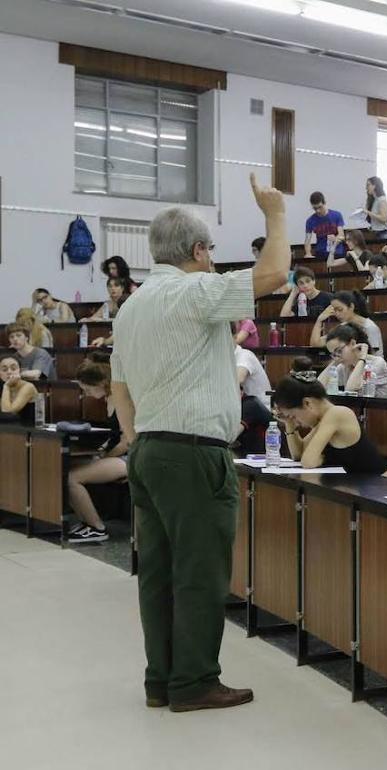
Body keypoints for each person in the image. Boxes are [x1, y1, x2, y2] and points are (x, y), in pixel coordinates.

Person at [110, 172, 289, 712]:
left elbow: (119, 388)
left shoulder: (131, 306)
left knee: (159, 573)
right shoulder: (196, 289)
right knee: (201, 571)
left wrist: (137, 440)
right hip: (191, 453)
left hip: (148, 451)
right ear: (197, 251)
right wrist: (276, 215)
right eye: (210, 249)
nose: (214, 257)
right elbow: (275, 272)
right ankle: (194, 682)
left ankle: (160, 679)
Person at [273, 371, 387, 475]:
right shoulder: (323, 419)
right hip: (359, 486)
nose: (297, 422)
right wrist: (289, 423)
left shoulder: (337, 413)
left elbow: (308, 461)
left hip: (382, 487)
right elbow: (298, 455)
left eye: (294, 416)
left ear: (307, 403)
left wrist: (318, 459)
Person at [65, 357, 129, 544]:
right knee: (65, 468)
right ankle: (86, 522)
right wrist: (100, 453)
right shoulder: (109, 399)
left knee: (72, 478)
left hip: (130, 456)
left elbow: (126, 442)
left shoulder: (122, 398)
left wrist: (103, 457)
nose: (86, 393)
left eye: (88, 389)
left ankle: (97, 527)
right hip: (118, 454)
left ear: (102, 383)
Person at [316, 326, 387, 398]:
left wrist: (362, 359)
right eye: (333, 354)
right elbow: (318, 388)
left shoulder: (377, 363)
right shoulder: (343, 367)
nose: (337, 356)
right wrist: (334, 362)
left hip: (380, 410)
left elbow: (351, 389)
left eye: (339, 351)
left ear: (353, 343)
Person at [310, 290, 382, 351]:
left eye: (340, 310)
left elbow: (373, 357)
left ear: (351, 307)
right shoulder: (343, 326)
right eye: (334, 310)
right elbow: (316, 344)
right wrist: (319, 320)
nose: (337, 314)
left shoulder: (369, 327)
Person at [303, 191, 345, 259]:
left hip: (337, 252)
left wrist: (335, 238)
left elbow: (342, 236)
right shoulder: (310, 221)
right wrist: (308, 253)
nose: (317, 211)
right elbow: (307, 240)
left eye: (320, 207)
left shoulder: (336, 215)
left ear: (324, 203)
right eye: (315, 208)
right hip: (321, 253)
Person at [0, 355, 37, 423]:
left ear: (20, 371)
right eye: (4, 370)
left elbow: (7, 413)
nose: (9, 372)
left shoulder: (28, 387)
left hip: (26, 430)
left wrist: (6, 386)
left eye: (13, 368)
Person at [363, 176, 387, 240]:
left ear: (374, 185)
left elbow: (384, 218)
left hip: (384, 233)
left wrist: (368, 212)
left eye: (368, 185)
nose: (366, 188)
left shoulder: (381, 199)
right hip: (376, 232)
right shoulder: (374, 200)